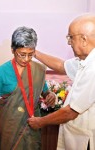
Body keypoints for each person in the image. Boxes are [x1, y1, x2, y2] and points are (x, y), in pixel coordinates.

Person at [27, 14, 95, 150]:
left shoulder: (92, 67)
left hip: (84, 140)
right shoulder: (86, 60)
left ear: (84, 39)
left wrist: (40, 122)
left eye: (71, 37)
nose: (69, 42)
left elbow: (71, 112)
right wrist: (34, 52)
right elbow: (61, 65)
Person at [0, 26, 56, 150]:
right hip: (9, 129)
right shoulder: (1, 72)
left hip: (32, 127)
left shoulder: (38, 70)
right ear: (13, 50)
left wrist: (50, 95)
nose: (26, 59)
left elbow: (44, 91)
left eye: (30, 55)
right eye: (22, 54)